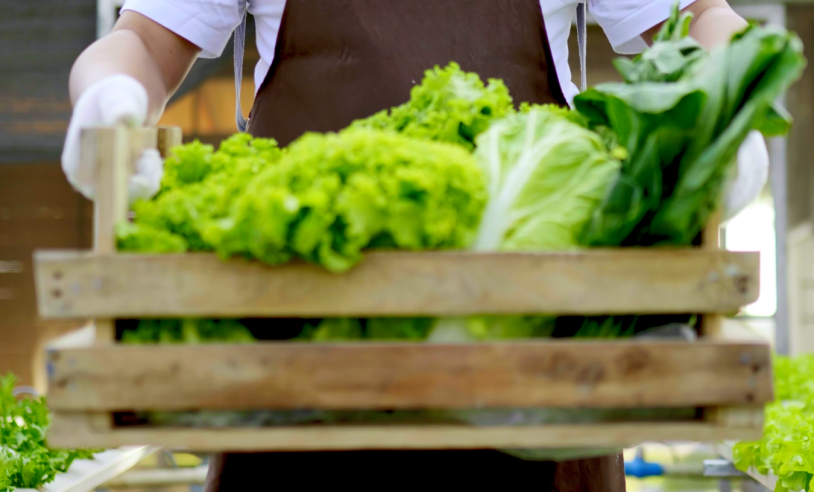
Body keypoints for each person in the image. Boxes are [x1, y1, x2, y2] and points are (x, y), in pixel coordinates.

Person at [61, 1, 764, 490]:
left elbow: (699, 16)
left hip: (541, 383)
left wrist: (726, 106)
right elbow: (146, 42)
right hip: (296, 380)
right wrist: (107, 97)